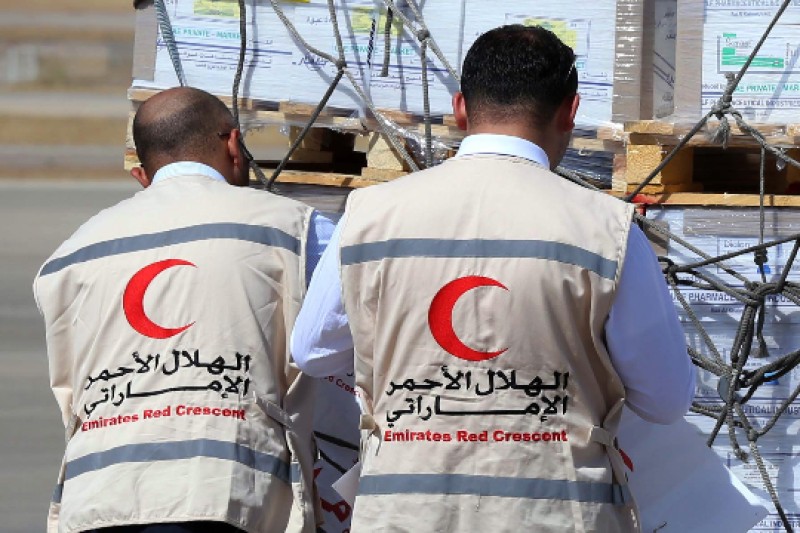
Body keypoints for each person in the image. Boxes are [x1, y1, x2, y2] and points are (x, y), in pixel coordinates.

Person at [290, 25, 696, 532]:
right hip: (557, 517)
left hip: (404, 514)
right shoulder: (605, 229)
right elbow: (665, 399)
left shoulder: (369, 216)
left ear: (460, 108)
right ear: (570, 112)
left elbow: (311, 351)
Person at [33, 86, 334, 533]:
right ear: (234, 144)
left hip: (98, 496)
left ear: (142, 175)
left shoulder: (69, 257)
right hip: (223, 493)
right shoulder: (293, 228)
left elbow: (71, 394)